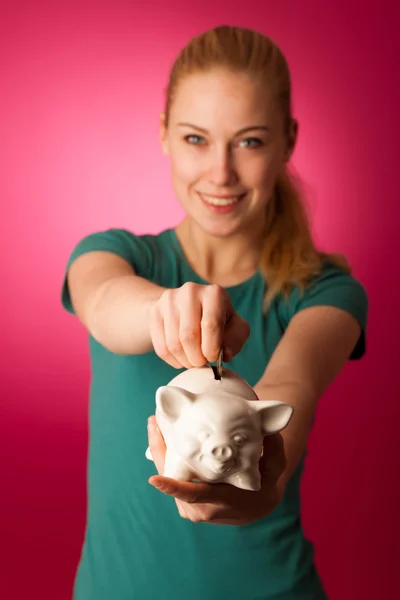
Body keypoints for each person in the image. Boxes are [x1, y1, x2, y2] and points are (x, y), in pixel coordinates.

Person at [61, 25, 368, 600]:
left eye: (249, 141)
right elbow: (105, 304)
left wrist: (250, 491)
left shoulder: (328, 290)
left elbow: (288, 389)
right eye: (196, 139)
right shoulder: (115, 255)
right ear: (165, 136)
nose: (221, 173)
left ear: (288, 141)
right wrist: (165, 307)